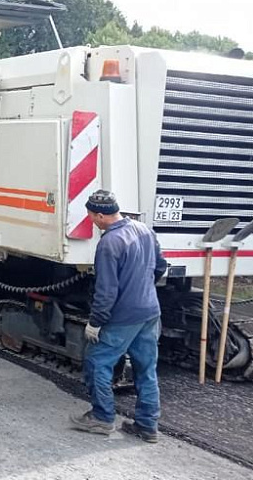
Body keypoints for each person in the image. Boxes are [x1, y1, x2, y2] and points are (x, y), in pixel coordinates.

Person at [69, 189, 168, 443]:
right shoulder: (143, 229)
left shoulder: (109, 243)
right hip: (150, 312)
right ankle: (147, 426)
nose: (91, 220)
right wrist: (142, 288)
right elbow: (160, 267)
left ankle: (102, 418)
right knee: (146, 369)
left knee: (97, 362)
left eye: (91, 216)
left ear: (101, 215)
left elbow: (106, 291)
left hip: (123, 317)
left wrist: (95, 322)